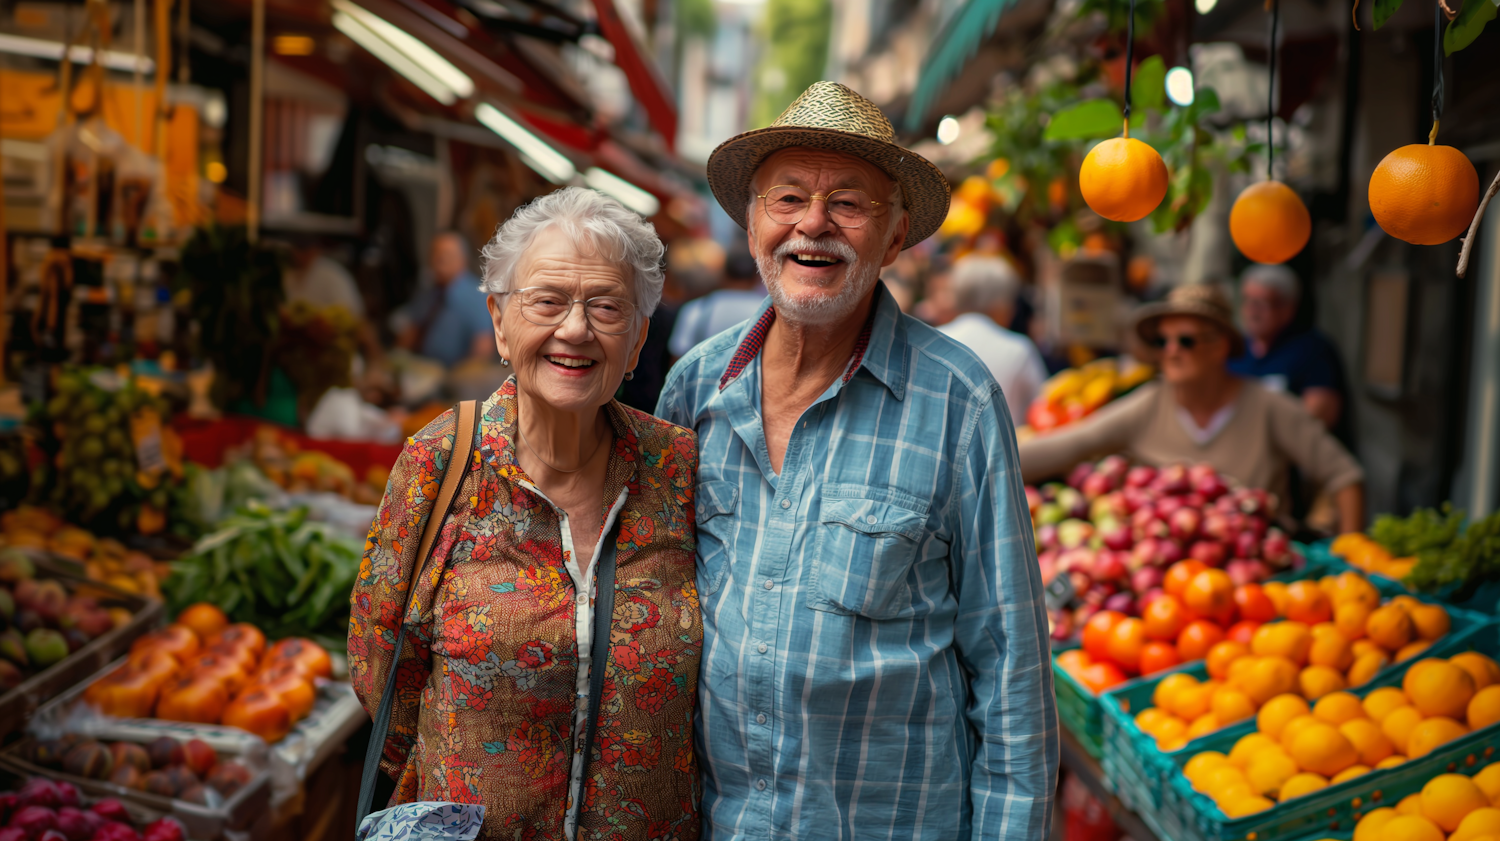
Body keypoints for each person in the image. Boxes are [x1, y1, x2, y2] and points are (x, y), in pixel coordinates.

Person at [656, 81, 1057, 840]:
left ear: (895, 237)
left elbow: (1011, 674)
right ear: (752, 224)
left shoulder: (957, 399)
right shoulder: (696, 389)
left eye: (848, 202)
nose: (813, 223)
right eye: (788, 199)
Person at [350, 188, 702, 839]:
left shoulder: (678, 467)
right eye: (547, 300)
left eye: (606, 306)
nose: (575, 328)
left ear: (638, 337)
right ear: (499, 321)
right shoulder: (439, 463)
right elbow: (382, 673)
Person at [1018, 283, 1366, 532]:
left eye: (1185, 340)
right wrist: (979, 461)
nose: (1171, 350)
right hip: (1168, 578)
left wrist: (1349, 557)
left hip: (1259, 575)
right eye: (1162, 341)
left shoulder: (1269, 407)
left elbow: (1345, 476)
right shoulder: (1149, 405)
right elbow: (1071, 444)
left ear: (1219, 348)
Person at [1229, 264, 1347, 429]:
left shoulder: (1313, 349)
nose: (1252, 311)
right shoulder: (1234, 346)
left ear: (1287, 308)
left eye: (1261, 303)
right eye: (1247, 300)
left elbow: (1319, 416)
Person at [938, 254, 1048, 424]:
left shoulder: (932, 341)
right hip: (1007, 449)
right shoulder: (1018, 349)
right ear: (1000, 304)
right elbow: (1043, 408)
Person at [396, 231, 497, 366]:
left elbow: (483, 350)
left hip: (455, 376)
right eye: (435, 254)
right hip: (420, 369)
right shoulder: (427, 290)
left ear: (463, 260)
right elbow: (411, 332)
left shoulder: (477, 297)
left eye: (447, 255)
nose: (439, 260)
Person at [668, 248, 765, 358]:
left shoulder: (697, 308)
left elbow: (678, 359)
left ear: (724, 273)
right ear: (756, 276)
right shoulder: (769, 311)